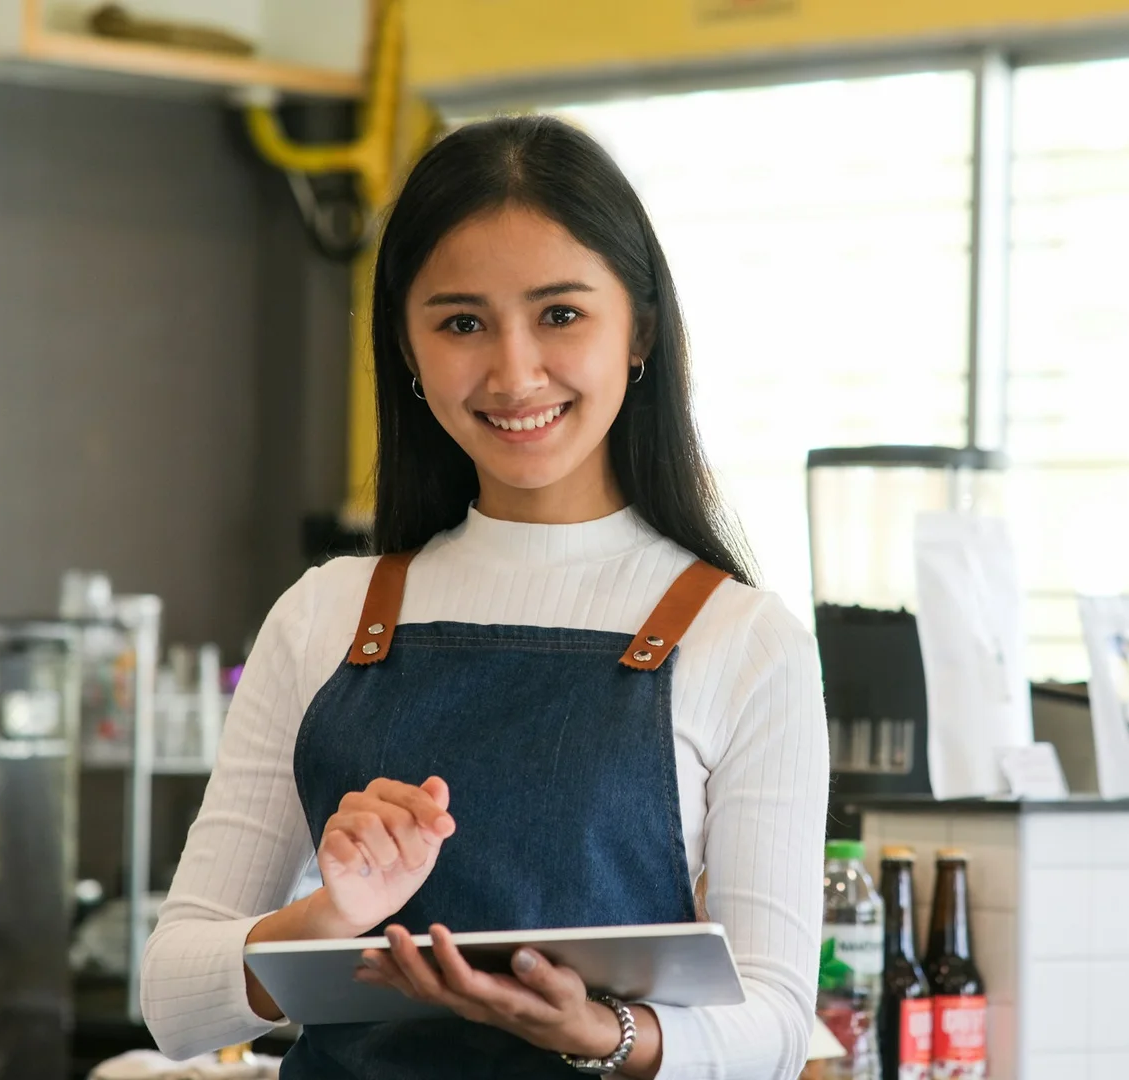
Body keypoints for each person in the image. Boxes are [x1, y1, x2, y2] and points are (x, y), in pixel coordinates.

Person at [141, 116, 828, 1079]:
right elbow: (172, 998)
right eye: (462, 322)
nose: (514, 372)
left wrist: (603, 1035)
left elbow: (778, 1022)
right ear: (408, 351)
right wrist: (330, 916)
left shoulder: (745, 641)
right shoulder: (324, 614)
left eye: (560, 314)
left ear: (638, 328)